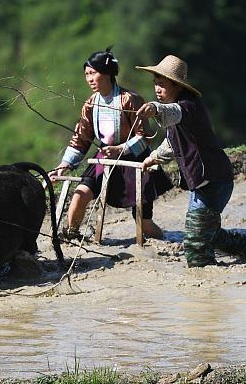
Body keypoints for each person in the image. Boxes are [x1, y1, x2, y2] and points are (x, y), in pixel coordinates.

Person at [136, 55, 246, 267]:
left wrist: (156, 109)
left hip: (213, 180)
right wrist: (154, 157)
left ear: (177, 86)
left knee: (195, 242)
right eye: (155, 84)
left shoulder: (188, 106)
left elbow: (174, 113)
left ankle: (205, 284)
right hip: (204, 181)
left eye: (163, 85)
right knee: (206, 233)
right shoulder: (175, 108)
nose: (157, 89)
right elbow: (171, 142)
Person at [50, 47, 173, 241]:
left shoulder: (130, 100)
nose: (89, 78)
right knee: (79, 197)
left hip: (134, 162)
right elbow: (81, 138)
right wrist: (64, 166)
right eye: (86, 74)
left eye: (93, 73)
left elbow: (144, 137)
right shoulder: (90, 104)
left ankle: (168, 244)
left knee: (145, 225)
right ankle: (70, 239)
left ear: (107, 74)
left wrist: (120, 149)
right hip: (104, 159)